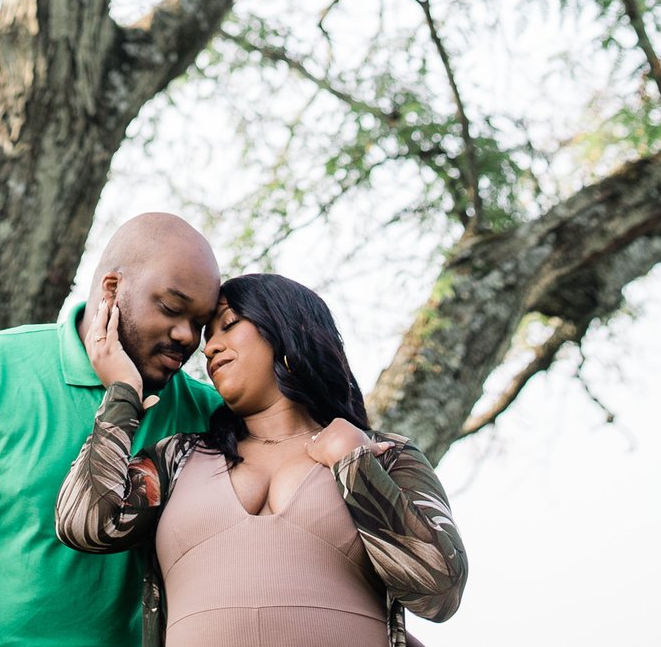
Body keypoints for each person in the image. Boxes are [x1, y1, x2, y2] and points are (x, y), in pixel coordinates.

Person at [55, 272, 468, 647]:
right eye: (208, 336)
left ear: (289, 331)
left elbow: (439, 591)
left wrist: (353, 463)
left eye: (230, 325)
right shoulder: (177, 459)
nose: (210, 347)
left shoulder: (386, 456)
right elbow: (84, 524)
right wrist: (123, 393)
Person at [0, 213, 226, 647]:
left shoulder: (209, 415)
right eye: (172, 309)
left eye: (200, 322)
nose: (186, 336)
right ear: (112, 290)